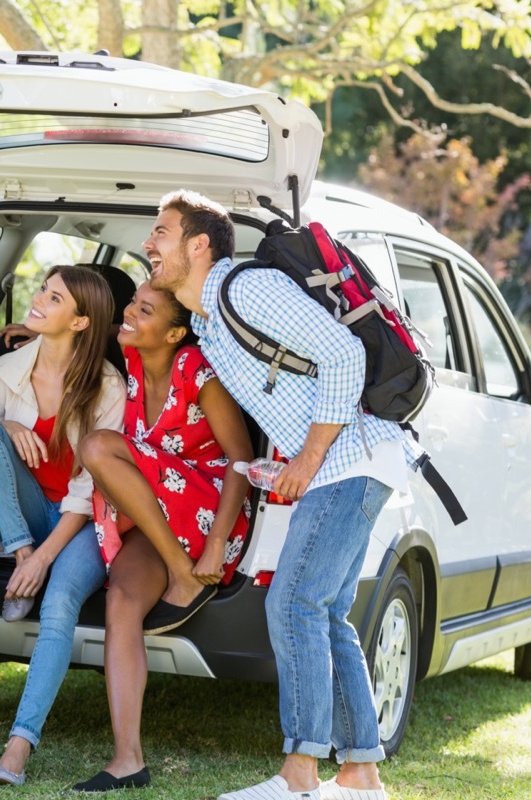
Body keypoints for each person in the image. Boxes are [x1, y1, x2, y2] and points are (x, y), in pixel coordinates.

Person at [147, 190, 417, 800]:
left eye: (160, 232)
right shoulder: (208, 324)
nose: (148, 244)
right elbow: (296, 385)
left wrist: (310, 455)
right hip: (344, 464)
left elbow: (344, 356)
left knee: (292, 604)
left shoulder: (246, 289)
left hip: (351, 459)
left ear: (198, 245)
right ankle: (361, 774)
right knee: (323, 613)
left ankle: (300, 775)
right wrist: (286, 462)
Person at [70, 281, 253, 793]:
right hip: (159, 513)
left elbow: (239, 458)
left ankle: (182, 573)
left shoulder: (195, 369)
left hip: (211, 511)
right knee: (123, 601)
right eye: (132, 304)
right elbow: (106, 328)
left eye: (143, 309)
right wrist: (37, 334)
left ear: (175, 332)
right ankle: (127, 759)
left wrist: (215, 544)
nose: (129, 313)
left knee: (100, 448)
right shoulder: (133, 357)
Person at [0, 265, 125, 786]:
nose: (38, 300)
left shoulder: (108, 386)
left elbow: (92, 488)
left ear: (79, 322)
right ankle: (18, 555)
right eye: (43, 290)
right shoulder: (1, 373)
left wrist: (47, 559)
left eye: (54, 298)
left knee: (58, 605)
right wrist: (8, 426)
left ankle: (18, 746)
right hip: (22, 516)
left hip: (83, 522)